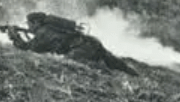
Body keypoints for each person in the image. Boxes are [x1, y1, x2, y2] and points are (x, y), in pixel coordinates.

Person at [7, 12, 139, 76]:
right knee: (115, 63)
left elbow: (29, 48)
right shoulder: (51, 28)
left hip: (80, 49)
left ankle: (108, 77)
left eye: (29, 24)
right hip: (90, 42)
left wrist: (14, 36)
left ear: (36, 23)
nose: (28, 27)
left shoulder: (43, 32)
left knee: (76, 66)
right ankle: (133, 74)